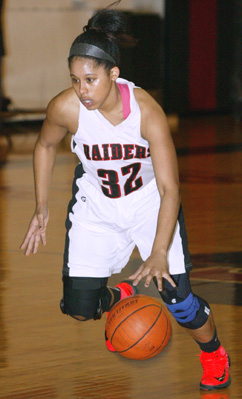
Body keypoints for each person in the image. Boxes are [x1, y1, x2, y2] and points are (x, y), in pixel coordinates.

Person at [21, 3, 230, 391]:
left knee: (178, 301)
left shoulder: (147, 112)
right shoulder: (65, 108)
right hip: (97, 206)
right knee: (80, 310)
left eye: (90, 80)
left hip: (148, 204)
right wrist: (41, 206)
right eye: (75, 80)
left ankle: (214, 353)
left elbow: (170, 189)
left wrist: (157, 251)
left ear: (113, 74)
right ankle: (122, 293)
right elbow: (45, 146)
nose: (82, 90)